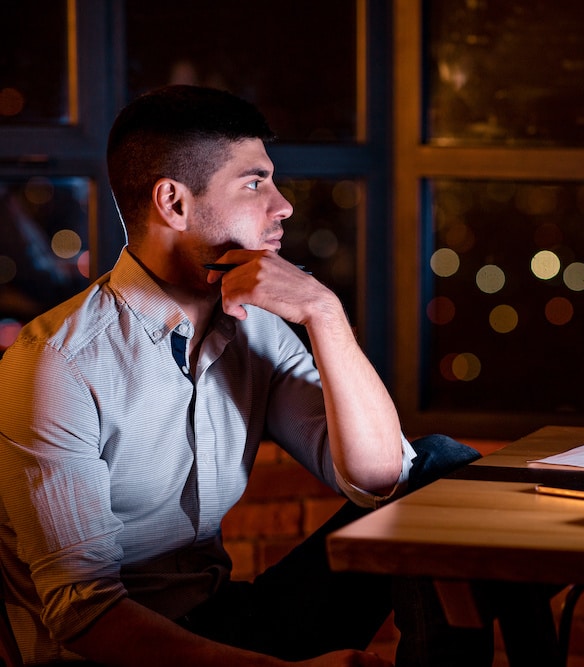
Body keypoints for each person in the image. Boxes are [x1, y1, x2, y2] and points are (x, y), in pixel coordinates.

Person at [0, 85, 491, 667]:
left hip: (225, 621)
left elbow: (383, 479)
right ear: (174, 204)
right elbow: (86, 615)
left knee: (438, 469)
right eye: (255, 183)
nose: (283, 205)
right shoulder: (58, 362)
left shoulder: (253, 326)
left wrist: (325, 315)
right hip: (120, 650)